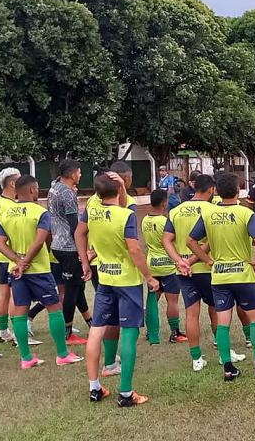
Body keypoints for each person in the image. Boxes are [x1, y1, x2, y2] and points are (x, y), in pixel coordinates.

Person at [76, 173, 157, 406]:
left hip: (105, 278)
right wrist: (149, 277)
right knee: (129, 332)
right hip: (128, 281)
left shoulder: (91, 210)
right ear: (119, 188)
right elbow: (134, 250)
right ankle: (126, 394)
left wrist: (84, 261)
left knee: (96, 330)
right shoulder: (126, 215)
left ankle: (95, 388)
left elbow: (78, 233)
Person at [187, 172, 255, 381]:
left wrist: (207, 260)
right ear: (238, 191)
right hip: (243, 275)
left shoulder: (209, 214)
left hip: (220, 277)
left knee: (223, 322)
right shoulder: (245, 213)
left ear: (216, 191)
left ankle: (228, 367)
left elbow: (191, 241)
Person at [0, 174, 83, 369]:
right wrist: (26, 260)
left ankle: (26, 358)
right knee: (54, 308)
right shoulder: (40, 212)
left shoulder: (6, 214)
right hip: (38, 270)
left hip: (16, 270)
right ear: (33, 190)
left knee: (19, 312)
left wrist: (17, 260)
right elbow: (40, 240)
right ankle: (62, 354)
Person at [163, 174, 227, 372]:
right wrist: (193, 259)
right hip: (206, 269)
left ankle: (196, 359)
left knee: (192, 314)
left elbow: (166, 239)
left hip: (184, 271)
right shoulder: (212, 209)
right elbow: (210, 241)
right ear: (210, 190)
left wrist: (179, 261)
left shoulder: (176, 210)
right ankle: (223, 352)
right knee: (217, 308)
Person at [85, 161, 139, 378]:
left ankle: (103, 371)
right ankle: (112, 367)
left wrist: (86, 258)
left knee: (102, 322)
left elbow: (83, 231)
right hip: (123, 273)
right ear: (123, 181)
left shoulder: (91, 203)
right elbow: (126, 236)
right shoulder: (128, 207)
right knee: (121, 323)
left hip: (101, 267)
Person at [48, 159, 89, 345]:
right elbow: (75, 226)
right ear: (72, 175)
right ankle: (68, 332)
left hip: (57, 243)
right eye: (79, 173)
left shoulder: (54, 187)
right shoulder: (67, 194)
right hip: (69, 247)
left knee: (77, 285)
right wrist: (84, 249)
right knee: (72, 289)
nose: (80, 175)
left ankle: (91, 322)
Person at [141, 189, 186, 345]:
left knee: (153, 298)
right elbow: (171, 242)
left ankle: (150, 331)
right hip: (168, 265)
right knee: (172, 300)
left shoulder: (145, 220)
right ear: (164, 203)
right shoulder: (165, 221)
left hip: (152, 264)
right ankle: (175, 332)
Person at [0, 167, 20, 344]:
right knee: (15, 294)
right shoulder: (9, 206)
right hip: (9, 254)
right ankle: (18, 334)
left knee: (4, 293)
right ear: (12, 183)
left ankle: (4, 331)